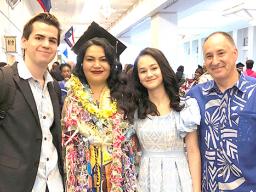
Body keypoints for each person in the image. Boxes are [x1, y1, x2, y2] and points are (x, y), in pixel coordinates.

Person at [62, 22, 137, 192]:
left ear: (112, 64)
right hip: (83, 177)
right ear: (81, 63)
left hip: (119, 177)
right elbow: (66, 143)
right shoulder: (72, 100)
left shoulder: (123, 96)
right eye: (90, 59)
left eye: (103, 60)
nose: (97, 65)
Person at [0, 13, 64, 192]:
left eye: (52, 40)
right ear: (24, 41)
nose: (46, 44)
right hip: (15, 184)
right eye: (39, 37)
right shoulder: (4, 80)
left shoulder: (54, 87)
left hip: (53, 184)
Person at [186, 31, 256, 191]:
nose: (215, 61)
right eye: (209, 56)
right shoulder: (195, 95)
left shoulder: (254, 92)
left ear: (235, 53)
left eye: (221, 53)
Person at [132, 47, 201, 192]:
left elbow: (193, 152)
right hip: (147, 180)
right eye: (143, 71)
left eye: (154, 68)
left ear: (163, 68)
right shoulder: (135, 111)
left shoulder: (185, 106)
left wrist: (196, 190)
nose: (149, 74)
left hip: (178, 180)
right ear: (138, 76)